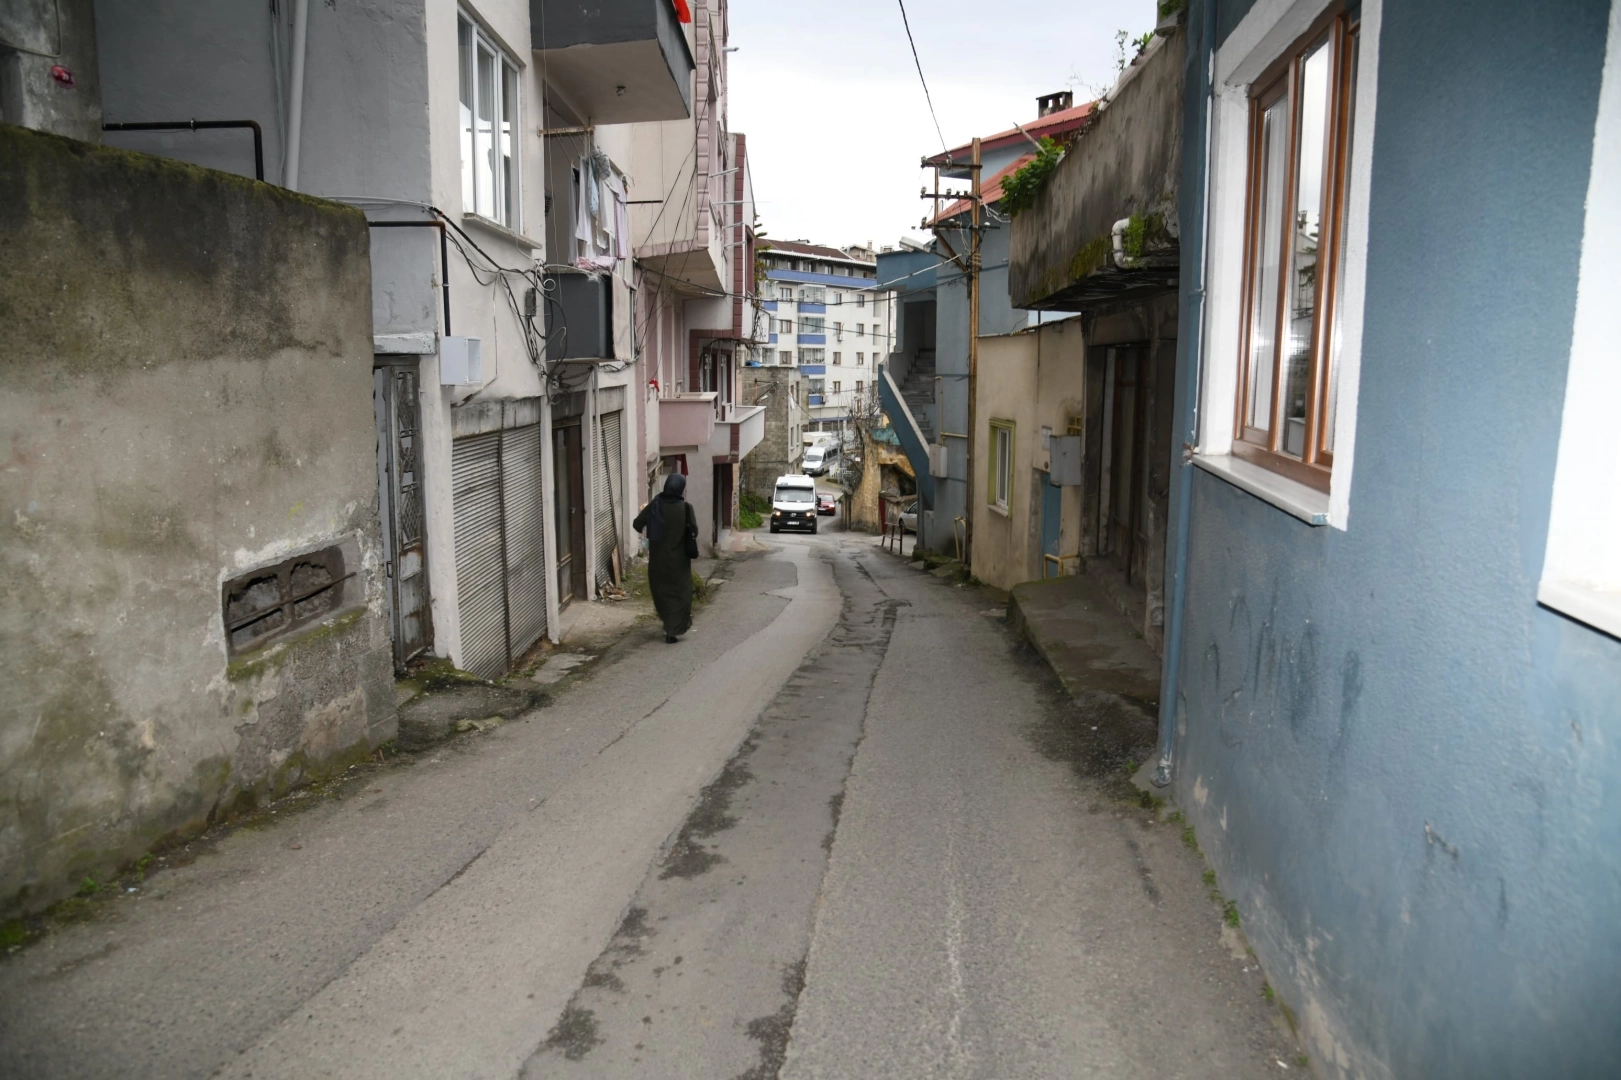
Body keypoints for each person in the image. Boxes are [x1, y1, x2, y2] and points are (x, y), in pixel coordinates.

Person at [633, 472, 699, 643]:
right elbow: (694, 530)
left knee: (662, 593)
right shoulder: (686, 508)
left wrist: (652, 530)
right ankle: (673, 629)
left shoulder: (656, 505)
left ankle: (668, 624)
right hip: (679, 562)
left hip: (658, 562)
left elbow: (637, 523)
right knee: (680, 595)